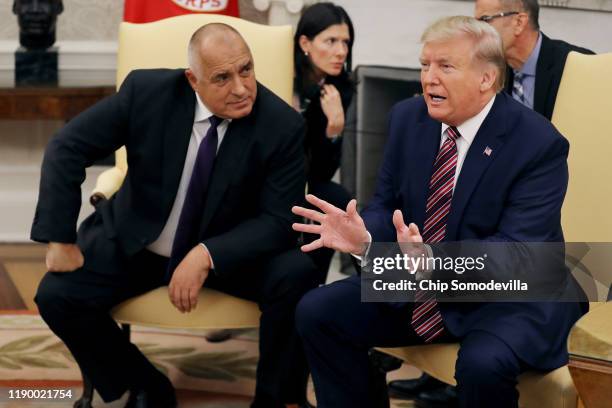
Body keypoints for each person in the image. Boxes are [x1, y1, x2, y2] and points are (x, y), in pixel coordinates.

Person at [292, 16, 586, 408]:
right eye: (425, 65)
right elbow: (386, 206)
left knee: (483, 364)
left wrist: (431, 260)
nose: (429, 78)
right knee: (318, 312)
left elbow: (516, 254)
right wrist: (364, 240)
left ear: (486, 78)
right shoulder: (407, 119)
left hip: (507, 296)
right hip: (419, 280)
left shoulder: (537, 143)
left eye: (445, 67)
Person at [32, 23, 318, 408]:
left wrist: (205, 254)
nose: (240, 87)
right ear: (192, 80)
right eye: (222, 77)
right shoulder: (147, 94)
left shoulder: (282, 126)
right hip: (140, 241)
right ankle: (146, 384)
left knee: (296, 273)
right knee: (56, 296)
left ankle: (273, 400)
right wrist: (60, 239)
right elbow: (67, 147)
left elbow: (278, 221)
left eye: (246, 69)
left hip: (227, 254)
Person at [293, 2, 355, 281]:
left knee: (337, 197)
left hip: (304, 178)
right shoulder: (282, 77)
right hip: (267, 177)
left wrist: (334, 128)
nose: (341, 51)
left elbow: (321, 173)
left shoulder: (338, 89)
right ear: (305, 42)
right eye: (331, 41)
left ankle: (312, 284)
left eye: (345, 42)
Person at [475, 0, 593, 120]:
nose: (476, 30)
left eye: (485, 19)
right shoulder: (489, 70)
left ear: (519, 23)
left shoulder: (578, 65)